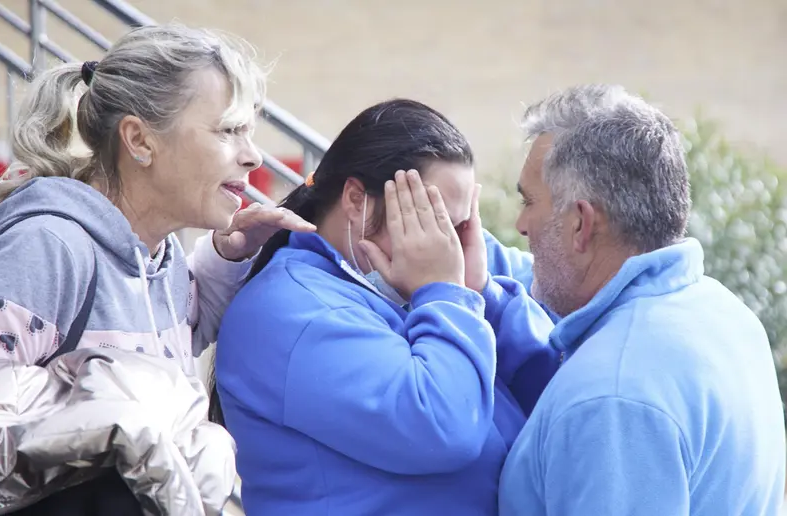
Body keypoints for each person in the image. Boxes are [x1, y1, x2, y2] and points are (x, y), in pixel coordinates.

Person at [0, 23, 313, 514]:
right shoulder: (49, 245)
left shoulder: (158, 255)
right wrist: (116, 423)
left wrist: (227, 257)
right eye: (229, 131)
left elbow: (155, 341)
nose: (252, 155)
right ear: (139, 140)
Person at [213, 99, 560, 515]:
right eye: (428, 221)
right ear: (357, 199)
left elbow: (561, 353)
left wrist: (483, 292)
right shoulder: (289, 312)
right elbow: (444, 428)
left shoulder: (424, 271)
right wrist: (447, 294)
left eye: (458, 226)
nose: (446, 244)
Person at [498, 84, 786, 515]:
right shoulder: (723, 312)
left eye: (529, 201)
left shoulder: (611, 399)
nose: (521, 225)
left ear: (581, 223)